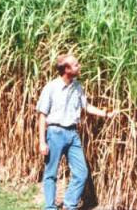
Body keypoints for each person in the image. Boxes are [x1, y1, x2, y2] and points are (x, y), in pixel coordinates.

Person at [36, 54, 119, 210]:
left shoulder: (77, 87)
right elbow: (42, 115)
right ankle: (50, 207)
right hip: (55, 133)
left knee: (81, 172)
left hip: (73, 134)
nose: (79, 66)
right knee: (51, 174)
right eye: (75, 65)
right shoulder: (51, 87)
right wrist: (42, 141)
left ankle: (69, 205)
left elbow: (86, 107)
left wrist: (106, 113)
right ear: (66, 69)